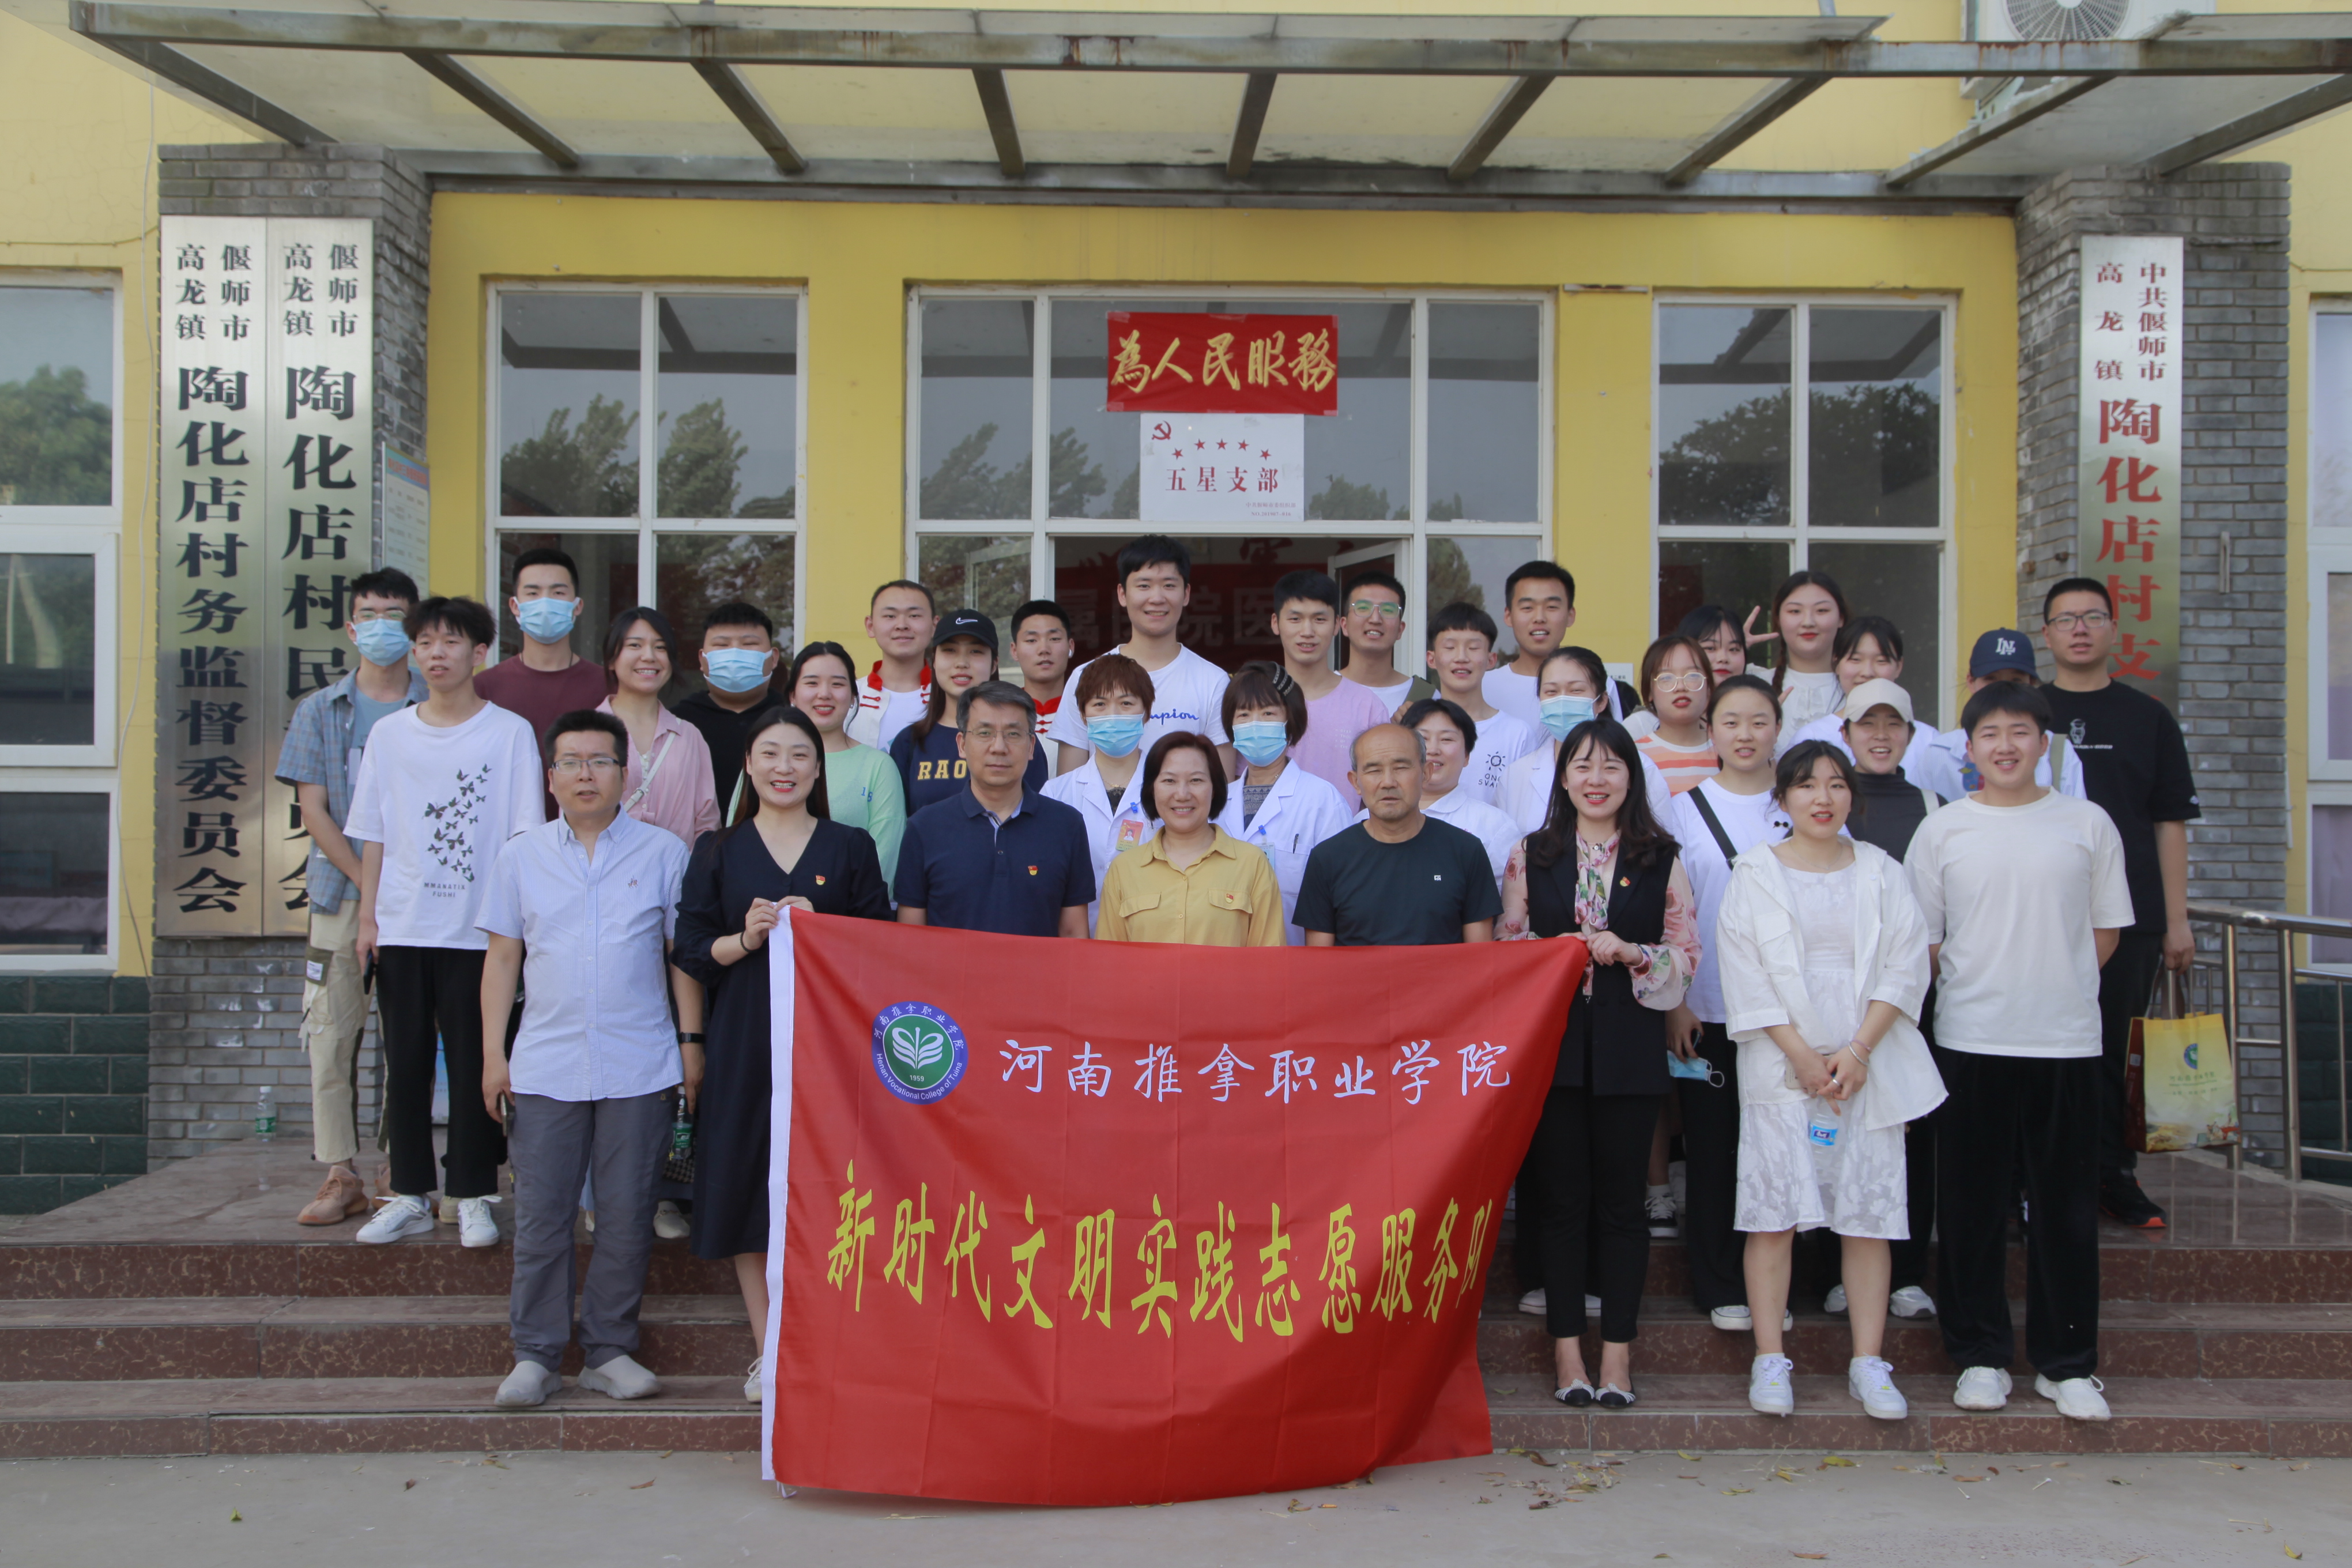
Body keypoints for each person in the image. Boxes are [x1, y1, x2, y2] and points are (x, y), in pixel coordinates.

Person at [1905, 681, 2132, 1423]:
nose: (2005, 745)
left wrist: (2053, 983)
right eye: (1991, 733)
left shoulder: (2087, 823)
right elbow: (1926, 941)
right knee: (1969, 1205)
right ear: (1969, 748)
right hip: (1971, 1037)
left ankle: (2067, 1362)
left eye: (2020, 731)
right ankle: (1979, 1354)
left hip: (2064, 1040)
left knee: (2066, 1207)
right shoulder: (1943, 830)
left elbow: (2104, 932)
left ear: (2044, 742)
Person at [1716, 741, 1944, 1422]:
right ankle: (1770, 1356)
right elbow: (1745, 973)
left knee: (1869, 1214)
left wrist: (1859, 1049)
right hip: (1782, 1063)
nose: (1823, 797)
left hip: (1866, 1062)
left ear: (1852, 795)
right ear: (1782, 797)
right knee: (1774, 1211)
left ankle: (1869, 1360)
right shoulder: (1754, 872)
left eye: (1837, 784)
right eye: (1807, 785)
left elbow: (1906, 964)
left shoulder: (1881, 870)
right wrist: (1802, 1054)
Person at [480, 711, 699, 1410]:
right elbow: (502, 958)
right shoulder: (521, 856)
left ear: (624, 774)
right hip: (545, 1063)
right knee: (543, 1215)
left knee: (628, 1212)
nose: (585, 774)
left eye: (600, 761)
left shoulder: (664, 853)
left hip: (641, 1061)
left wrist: (690, 1045)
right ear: (550, 777)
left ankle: (609, 1349)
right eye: (571, 761)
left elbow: (681, 957)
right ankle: (536, 1355)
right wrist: (492, 1054)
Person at [673, 704, 891, 1403]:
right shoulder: (718, 849)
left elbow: (885, 945)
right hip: (743, 1039)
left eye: (799, 754)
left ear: (818, 768)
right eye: (769, 753)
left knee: (831, 1185)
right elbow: (691, 949)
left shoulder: (850, 846)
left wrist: (825, 929)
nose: (784, 767)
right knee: (747, 1185)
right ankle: (769, 1349)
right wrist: (746, 938)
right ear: (748, 764)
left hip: (832, 1046)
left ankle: (824, 1336)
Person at [1500, 717, 1698, 1409]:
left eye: (1612, 766)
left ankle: (1617, 1353)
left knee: (1622, 1205)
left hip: (1629, 1046)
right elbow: (1507, 945)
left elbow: (1686, 955)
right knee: (1560, 1202)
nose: (1596, 778)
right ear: (1563, 779)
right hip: (1554, 1048)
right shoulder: (1532, 853)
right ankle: (1566, 1352)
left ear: (1631, 779)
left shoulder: (1660, 856)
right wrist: (1557, 950)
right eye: (1583, 765)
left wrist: (1634, 952)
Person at [346, 597, 545, 1247]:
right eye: (426, 642)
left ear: (479, 653)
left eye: (451, 641)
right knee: (403, 1064)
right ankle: (408, 1191)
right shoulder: (390, 735)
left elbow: (524, 835)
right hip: (403, 926)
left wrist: (516, 927)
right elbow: (373, 833)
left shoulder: (509, 732)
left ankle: (473, 1191)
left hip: (479, 932)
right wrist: (368, 919)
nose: (437, 653)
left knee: (476, 1063)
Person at [2040, 577, 2202, 1231]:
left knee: (2114, 1050)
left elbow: (2169, 821)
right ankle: (2039, 1179)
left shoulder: (2148, 716)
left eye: (2092, 617)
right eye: (2066, 619)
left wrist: (2176, 918)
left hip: (2129, 916)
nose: (2079, 629)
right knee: (2041, 1049)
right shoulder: (2026, 712)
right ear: (2047, 633)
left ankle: (2114, 1175)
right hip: (2042, 914)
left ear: (2113, 629)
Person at [274, 567, 425, 1227]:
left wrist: (394, 888)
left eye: (396, 614)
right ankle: (340, 1171)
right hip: (341, 896)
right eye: (370, 613)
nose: (382, 626)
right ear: (351, 626)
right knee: (332, 1033)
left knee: (408, 1036)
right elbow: (314, 810)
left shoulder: (434, 703)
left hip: (419, 902)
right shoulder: (320, 709)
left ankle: (397, 1166)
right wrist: (371, 884)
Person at [1659, 674, 1790, 1335]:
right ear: (1710, 730)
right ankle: (1718, 1282)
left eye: (1758, 721)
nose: (1745, 734)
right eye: (1731, 721)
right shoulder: (1682, 810)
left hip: (1789, 1017)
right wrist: (1676, 1001)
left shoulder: (1800, 805)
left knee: (1782, 1150)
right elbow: (1669, 914)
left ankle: (1783, 1283)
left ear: (1778, 729)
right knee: (1715, 1151)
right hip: (1708, 1008)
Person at [1831, 676, 1947, 1323]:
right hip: (1831, 999)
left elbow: (1939, 910)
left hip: (1907, 998)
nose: (1880, 735)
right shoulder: (1825, 795)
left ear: (1909, 733)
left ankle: (1905, 1272)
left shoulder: (1934, 805)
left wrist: (1907, 985)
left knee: (1909, 1130)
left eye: (1892, 724)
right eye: (1866, 724)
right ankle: (1836, 1271)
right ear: (1845, 733)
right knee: (1834, 1133)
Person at [898, 682, 1095, 937]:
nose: (999, 747)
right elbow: (911, 939)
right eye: (984, 733)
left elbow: (1073, 933)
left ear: (1031, 746)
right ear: (962, 744)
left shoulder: (1067, 825)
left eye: (1013, 734)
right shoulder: (924, 828)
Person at [1294, 725, 1500, 948]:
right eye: (1374, 770)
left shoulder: (1466, 851)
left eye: (1401, 768)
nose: (1388, 782)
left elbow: (1480, 958)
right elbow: (1320, 962)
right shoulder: (1328, 859)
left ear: (1426, 773)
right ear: (1356, 782)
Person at [1050, 536, 1234, 776]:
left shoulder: (1213, 682)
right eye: (1144, 586)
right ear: (1122, 594)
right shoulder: (1085, 677)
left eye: (1169, 585)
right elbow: (1068, 786)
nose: (1157, 598)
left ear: (1186, 594)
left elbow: (1222, 787)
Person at [1095, 733, 1287, 947]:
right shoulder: (1124, 870)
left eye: (1196, 780)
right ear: (1152, 789)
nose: (1182, 794)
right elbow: (1110, 960)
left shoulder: (1252, 864)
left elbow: (1269, 959)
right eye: (1169, 781)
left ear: (1214, 789)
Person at [1213, 661, 1354, 945]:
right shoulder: (1216, 802)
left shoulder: (1322, 800)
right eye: (1244, 714)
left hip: (1296, 958)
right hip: (1223, 957)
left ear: (1290, 719)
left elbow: (1343, 896)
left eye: (1268, 713)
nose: (1255, 724)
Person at [1498, 646, 1673, 834]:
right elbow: (1505, 846)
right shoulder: (1515, 776)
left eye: (1576, 690)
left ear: (1602, 701)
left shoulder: (1643, 770)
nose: (1563, 702)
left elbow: (1661, 843)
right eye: (1552, 692)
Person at [889, 609, 1044, 817]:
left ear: (994, 664)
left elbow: (1037, 818)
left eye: (975, 651)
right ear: (934, 660)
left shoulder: (1018, 739)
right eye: (950, 650)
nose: (961, 663)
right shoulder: (909, 742)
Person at [1041, 654, 1156, 928]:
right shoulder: (1055, 794)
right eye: (1100, 704)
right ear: (1083, 715)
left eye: (1126, 704)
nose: (1113, 715)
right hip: (1076, 939)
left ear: (1146, 713)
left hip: (1150, 939)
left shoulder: (1171, 792)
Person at [1909, 628, 2088, 801]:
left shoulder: (2058, 751)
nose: (2003, 691)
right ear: (1971, 681)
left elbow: (2078, 816)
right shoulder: (1939, 754)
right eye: (1991, 679)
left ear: (2032, 684)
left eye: (2016, 681)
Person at [595, 607, 720, 849]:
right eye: (635, 645)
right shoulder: (586, 732)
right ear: (611, 659)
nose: (649, 656)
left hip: (676, 872)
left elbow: (707, 824)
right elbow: (571, 817)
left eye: (660, 647)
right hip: (603, 871)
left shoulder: (689, 736)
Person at [786, 640, 906, 884]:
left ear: (853, 696)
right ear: (793, 695)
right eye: (812, 683)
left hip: (852, 906)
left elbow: (884, 861)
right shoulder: (766, 761)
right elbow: (741, 839)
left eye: (837, 684)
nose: (824, 694)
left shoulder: (878, 767)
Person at [1271, 570, 1394, 804]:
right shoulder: (1257, 700)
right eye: (1295, 619)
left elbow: (1380, 786)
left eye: (1320, 619)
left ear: (1337, 624)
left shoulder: (1366, 706)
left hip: (1348, 828)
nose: (1307, 632)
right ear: (1276, 623)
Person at [477, 545, 610, 744]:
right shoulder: (483, 688)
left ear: (577, 606)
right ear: (515, 606)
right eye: (533, 593)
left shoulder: (608, 686)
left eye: (558, 592)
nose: (546, 602)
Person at [1394, 698, 1523, 898]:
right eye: (1422, 738)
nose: (1433, 749)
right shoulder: (1370, 818)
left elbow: (1508, 904)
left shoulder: (1495, 826)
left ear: (1467, 756)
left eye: (1447, 739)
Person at [673, 601, 782, 820]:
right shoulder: (676, 723)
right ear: (702, 659)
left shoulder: (793, 720)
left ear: (774, 658)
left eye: (749, 643)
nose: (735, 654)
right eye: (722, 645)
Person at [1424, 602, 1540, 806]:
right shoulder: (1415, 729)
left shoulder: (1517, 735)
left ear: (1491, 660)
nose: (1461, 658)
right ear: (1431, 659)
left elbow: (1524, 807)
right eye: (1450, 648)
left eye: (1473, 648)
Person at [1748, 571, 1849, 734]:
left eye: (1822, 610)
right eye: (1795, 611)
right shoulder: (1754, 684)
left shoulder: (1859, 686)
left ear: (1841, 618)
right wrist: (1734, 647)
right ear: (1778, 620)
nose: (1808, 622)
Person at [1482, 561, 1577, 732]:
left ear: (1570, 615)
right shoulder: (1482, 687)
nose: (1539, 618)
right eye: (1527, 608)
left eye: (1552, 607)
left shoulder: (1595, 686)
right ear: (1508, 616)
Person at [846, 579, 937, 753]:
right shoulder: (847, 699)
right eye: (890, 616)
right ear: (870, 626)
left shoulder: (951, 698)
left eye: (914, 616)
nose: (902, 625)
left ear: (934, 625)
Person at [1336, 567, 1433, 711]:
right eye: (1363, 608)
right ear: (1344, 626)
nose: (1375, 619)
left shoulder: (1428, 698)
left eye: (1388, 610)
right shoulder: (1317, 692)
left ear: (1400, 629)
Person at [1631, 635, 1718, 794]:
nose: (1680, 687)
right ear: (1649, 691)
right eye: (1666, 678)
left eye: (1692, 676)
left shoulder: (1727, 750)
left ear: (1708, 687)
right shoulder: (1635, 756)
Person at [1009, 600, 1076, 744]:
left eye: (1054, 639)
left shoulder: (1087, 712)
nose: (1044, 649)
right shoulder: (1002, 712)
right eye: (1031, 640)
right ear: (1014, 651)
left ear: (1070, 646)